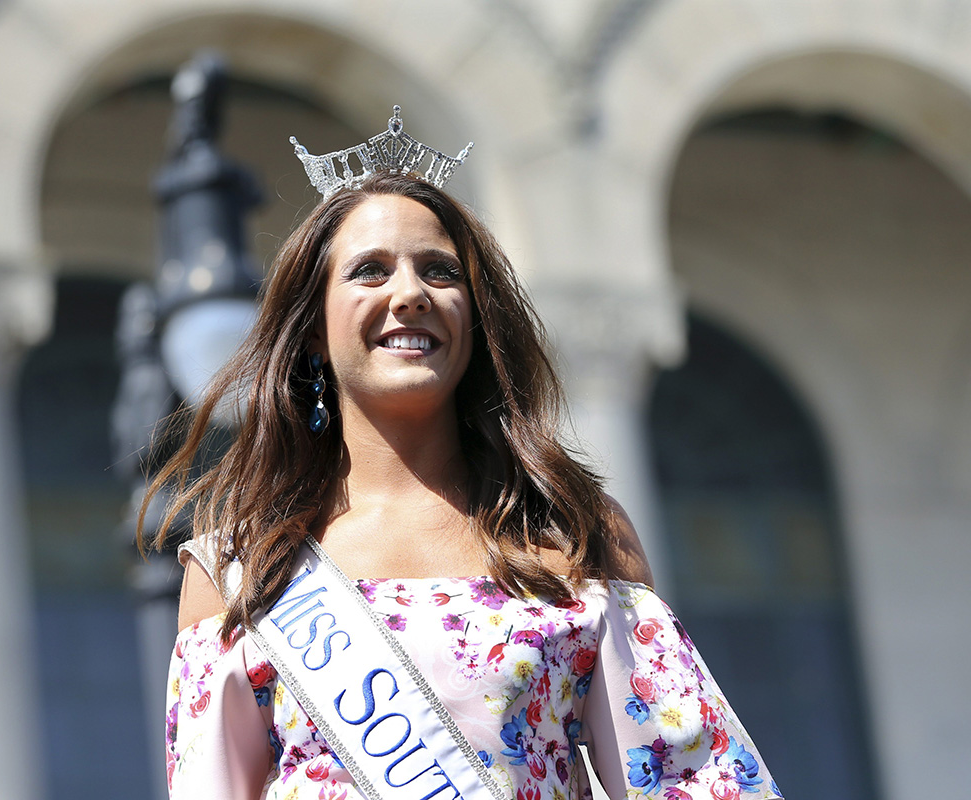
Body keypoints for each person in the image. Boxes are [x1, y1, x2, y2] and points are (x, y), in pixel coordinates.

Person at [142, 109, 782, 800]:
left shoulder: (572, 532)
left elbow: (690, 781)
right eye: (370, 271)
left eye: (440, 272)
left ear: (474, 318)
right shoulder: (242, 564)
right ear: (312, 334)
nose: (410, 293)